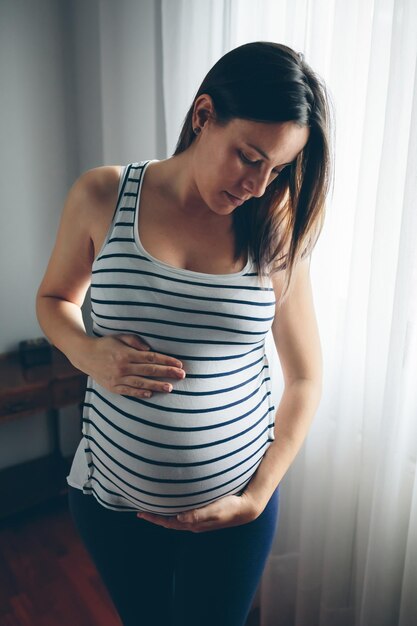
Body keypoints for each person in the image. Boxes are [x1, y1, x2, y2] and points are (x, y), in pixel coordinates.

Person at [36, 41, 332, 626]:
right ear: (203, 116)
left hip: (237, 509)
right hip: (110, 503)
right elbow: (53, 301)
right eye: (249, 157)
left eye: (277, 169)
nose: (259, 184)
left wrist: (258, 495)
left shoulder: (273, 228)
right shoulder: (103, 195)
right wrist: (90, 352)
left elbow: (305, 376)